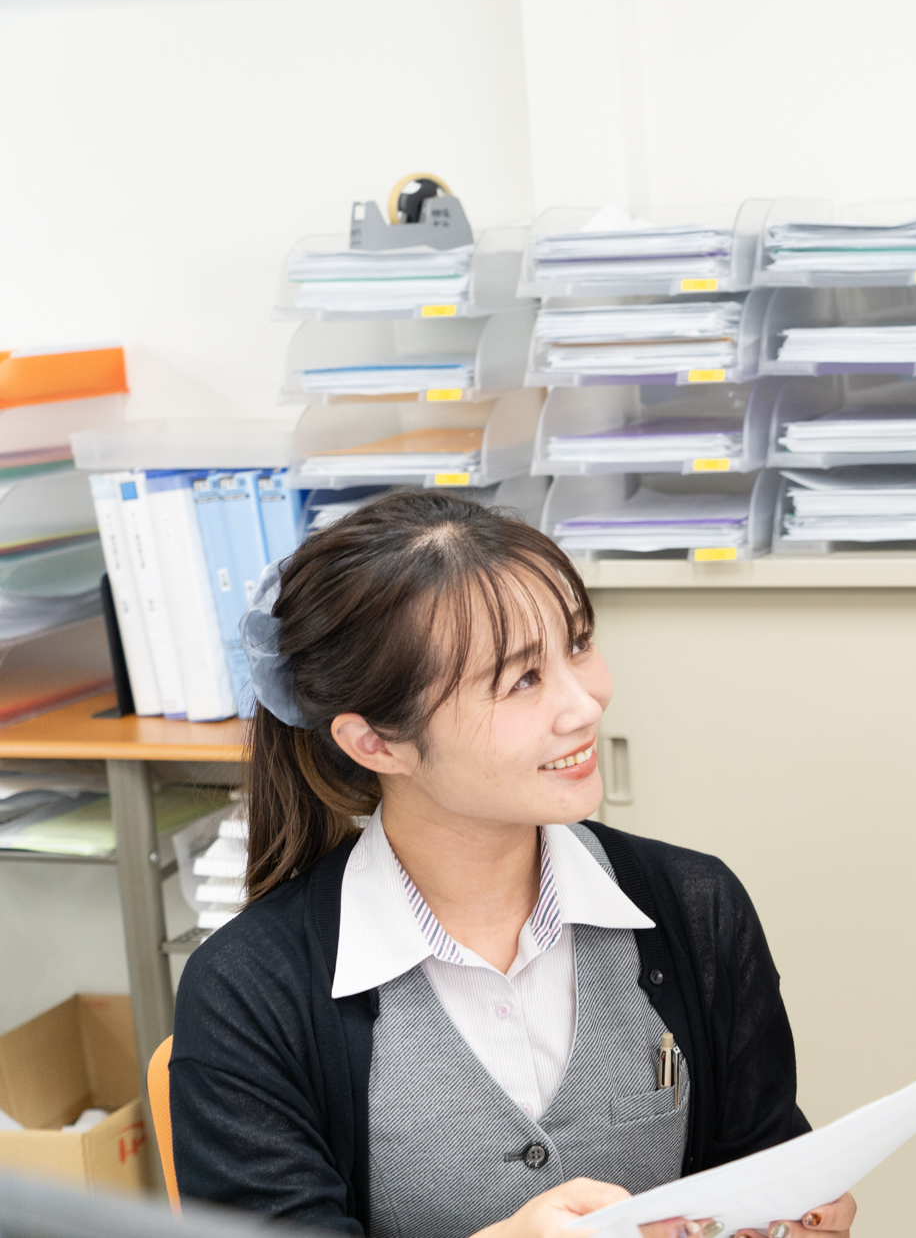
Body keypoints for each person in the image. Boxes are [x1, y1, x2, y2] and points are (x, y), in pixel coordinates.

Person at [170, 491, 855, 1238]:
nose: (585, 702)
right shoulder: (246, 993)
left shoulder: (697, 908)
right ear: (377, 743)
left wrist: (797, 1219)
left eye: (580, 644)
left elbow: (762, 1161)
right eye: (522, 679)